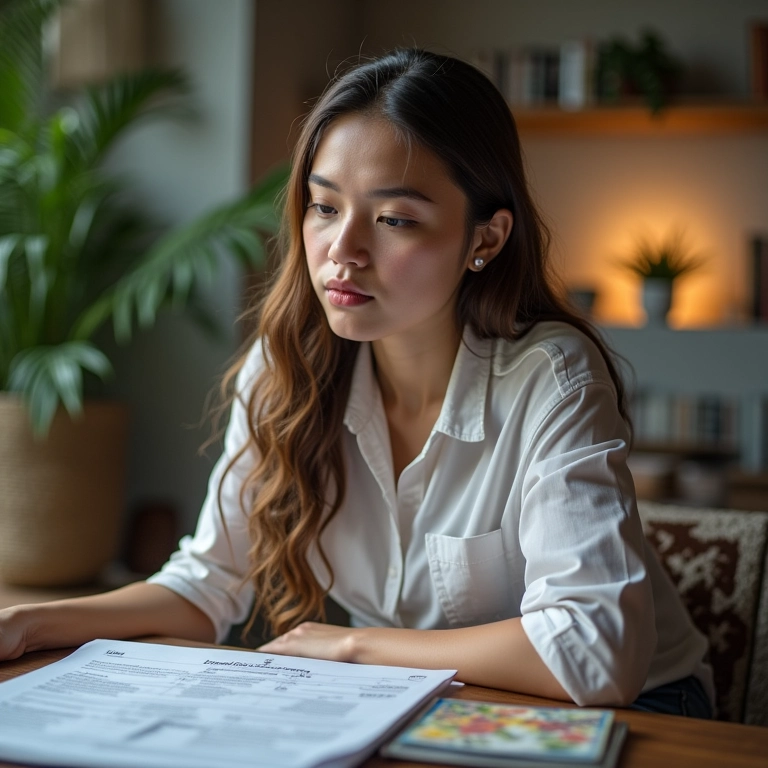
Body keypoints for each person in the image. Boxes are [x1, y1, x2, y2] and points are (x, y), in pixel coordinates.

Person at [0, 48, 713, 717]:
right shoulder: (289, 363)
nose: (342, 252)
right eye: (325, 205)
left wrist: (351, 646)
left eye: (396, 218)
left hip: (639, 708)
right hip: (421, 696)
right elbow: (208, 582)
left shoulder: (552, 378)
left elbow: (597, 653)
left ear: (485, 240)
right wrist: (33, 622)